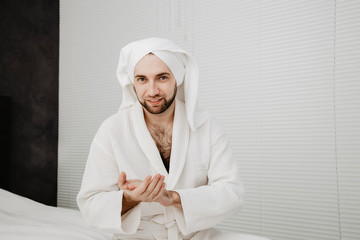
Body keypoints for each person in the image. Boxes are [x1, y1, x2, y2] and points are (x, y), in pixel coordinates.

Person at [77, 38, 266, 240]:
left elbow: (232, 194)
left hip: (196, 235)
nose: (152, 91)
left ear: (177, 78)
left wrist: (174, 198)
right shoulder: (112, 130)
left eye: (162, 78)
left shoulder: (206, 125)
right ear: (133, 82)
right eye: (142, 79)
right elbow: (90, 205)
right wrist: (130, 199)